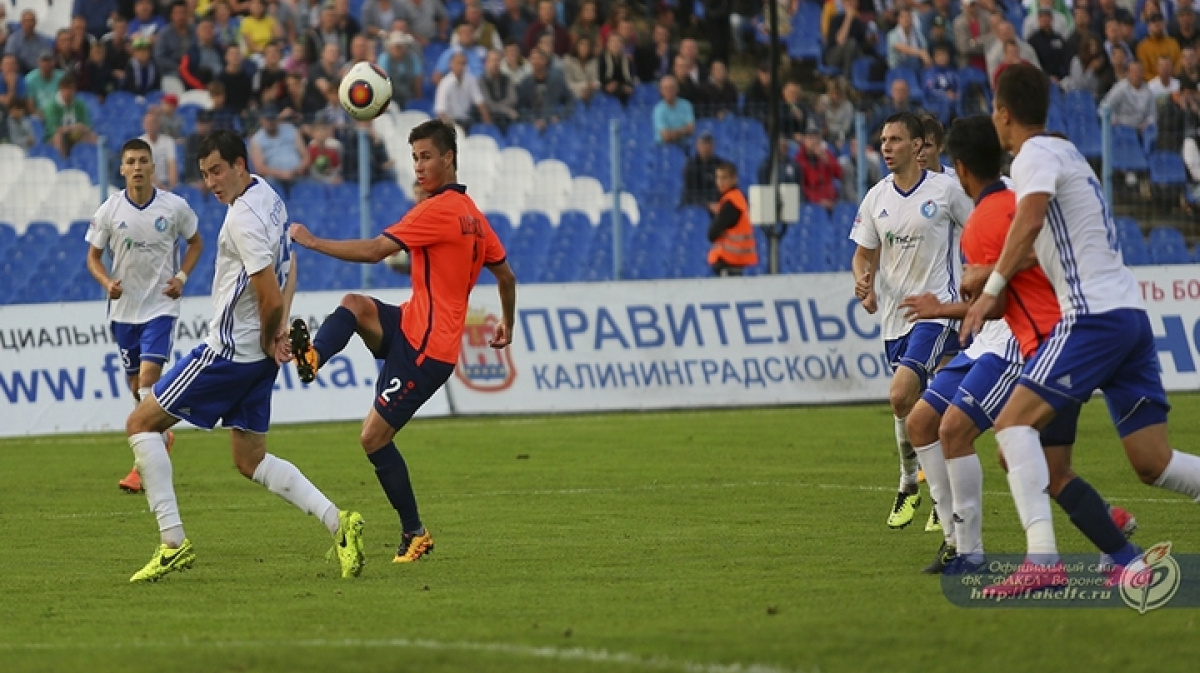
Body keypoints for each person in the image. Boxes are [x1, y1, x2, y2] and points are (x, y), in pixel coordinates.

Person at [961, 63, 1200, 594]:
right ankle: (1120, 556)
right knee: (1151, 462)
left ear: (1003, 114)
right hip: (1128, 316)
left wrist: (992, 285)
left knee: (1011, 426)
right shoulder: (1069, 152)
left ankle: (1042, 560)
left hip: (1090, 317)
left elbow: (1030, 218)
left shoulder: (1034, 156)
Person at [120, 129, 365, 582]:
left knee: (140, 422)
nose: (212, 182)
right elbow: (289, 273)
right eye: (204, 175)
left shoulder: (242, 220)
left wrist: (275, 331)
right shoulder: (269, 198)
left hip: (229, 352)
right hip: (260, 359)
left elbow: (269, 295)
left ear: (238, 165)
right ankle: (339, 522)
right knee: (250, 459)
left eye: (217, 171)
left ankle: (172, 543)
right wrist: (277, 340)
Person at [900, 116, 1139, 575]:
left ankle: (978, 552)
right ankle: (1109, 535)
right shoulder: (986, 197)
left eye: (925, 145)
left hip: (1021, 339)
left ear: (958, 162)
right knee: (928, 423)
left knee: (972, 436)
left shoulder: (1013, 197)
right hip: (994, 337)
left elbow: (1010, 283)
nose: (921, 153)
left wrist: (975, 288)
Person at [287, 119, 517, 563]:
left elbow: (376, 250)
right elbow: (506, 275)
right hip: (413, 324)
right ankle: (313, 356)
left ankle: (416, 533)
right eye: (414, 158)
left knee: (373, 438)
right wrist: (507, 322)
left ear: (449, 157)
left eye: (426, 156)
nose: (418, 166)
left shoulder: (437, 211)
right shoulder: (473, 215)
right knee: (355, 304)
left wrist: (312, 241)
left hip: (427, 349)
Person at [849, 111, 974, 530]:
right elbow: (863, 253)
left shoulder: (946, 191)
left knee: (901, 394)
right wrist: (862, 281)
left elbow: (979, 233)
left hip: (937, 313)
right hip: (895, 318)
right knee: (919, 408)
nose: (886, 146)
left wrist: (977, 279)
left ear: (917, 145)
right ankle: (913, 483)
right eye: (883, 140)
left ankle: (933, 499)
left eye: (896, 140)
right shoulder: (876, 197)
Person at [85, 139, 203, 495]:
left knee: (149, 383)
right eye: (130, 162)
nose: (137, 167)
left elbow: (196, 242)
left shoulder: (174, 207)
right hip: (123, 312)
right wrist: (107, 281)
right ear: (121, 169)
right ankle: (161, 435)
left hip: (159, 307)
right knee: (136, 387)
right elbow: (92, 256)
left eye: (143, 161)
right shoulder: (109, 210)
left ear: (153, 167)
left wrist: (181, 277)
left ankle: (144, 464)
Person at [706, 161, 758, 277]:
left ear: (734, 179)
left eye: (724, 178)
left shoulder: (731, 202)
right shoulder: (739, 199)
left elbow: (712, 234)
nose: (720, 182)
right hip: (737, 261)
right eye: (718, 178)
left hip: (728, 260)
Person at [139, 110, 178, 190]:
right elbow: (144, 168)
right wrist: (160, 186)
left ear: (158, 124)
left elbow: (172, 164)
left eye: (153, 122)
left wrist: (172, 187)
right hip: (147, 183)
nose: (151, 125)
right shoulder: (140, 143)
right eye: (148, 123)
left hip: (165, 181)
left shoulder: (168, 141)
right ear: (144, 125)